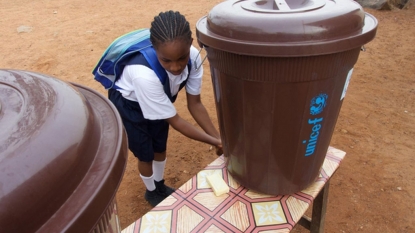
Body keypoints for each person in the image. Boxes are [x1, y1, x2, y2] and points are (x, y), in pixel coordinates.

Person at [108, 10, 222, 207]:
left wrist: (219, 140)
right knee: (146, 153)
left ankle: (159, 184)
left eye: (181, 58)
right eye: (166, 60)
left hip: (159, 99)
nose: (176, 67)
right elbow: (176, 120)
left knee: (160, 146)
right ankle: (151, 192)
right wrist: (215, 141)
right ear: (154, 49)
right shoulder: (143, 75)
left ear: (190, 44)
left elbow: (194, 104)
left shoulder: (194, 59)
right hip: (130, 105)